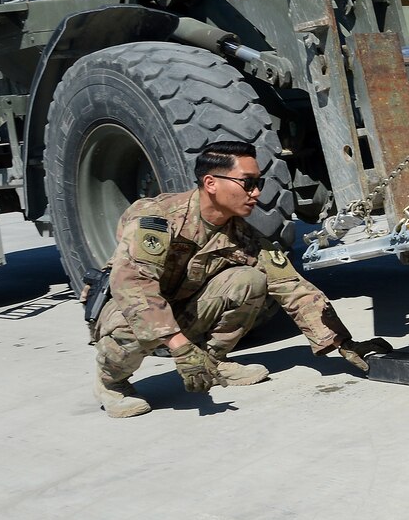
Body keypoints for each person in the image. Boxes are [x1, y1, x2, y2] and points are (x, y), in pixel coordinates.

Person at [91, 140, 391, 418]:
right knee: (130, 314)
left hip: (182, 309)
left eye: (258, 183)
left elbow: (290, 286)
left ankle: (214, 361)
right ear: (211, 183)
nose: (257, 193)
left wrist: (343, 341)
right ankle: (111, 384)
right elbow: (132, 285)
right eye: (248, 183)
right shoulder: (158, 217)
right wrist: (179, 345)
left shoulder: (241, 234)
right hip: (131, 309)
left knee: (250, 280)